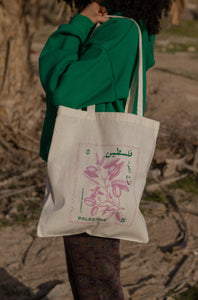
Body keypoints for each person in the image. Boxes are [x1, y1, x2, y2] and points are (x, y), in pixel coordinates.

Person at [38, 0, 171, 299]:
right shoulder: (124, 28)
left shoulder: (118, 32)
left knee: (95, 281)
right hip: (92, 164)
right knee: (92, 275)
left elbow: (64, 86)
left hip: (87, 170)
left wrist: (78, 26)